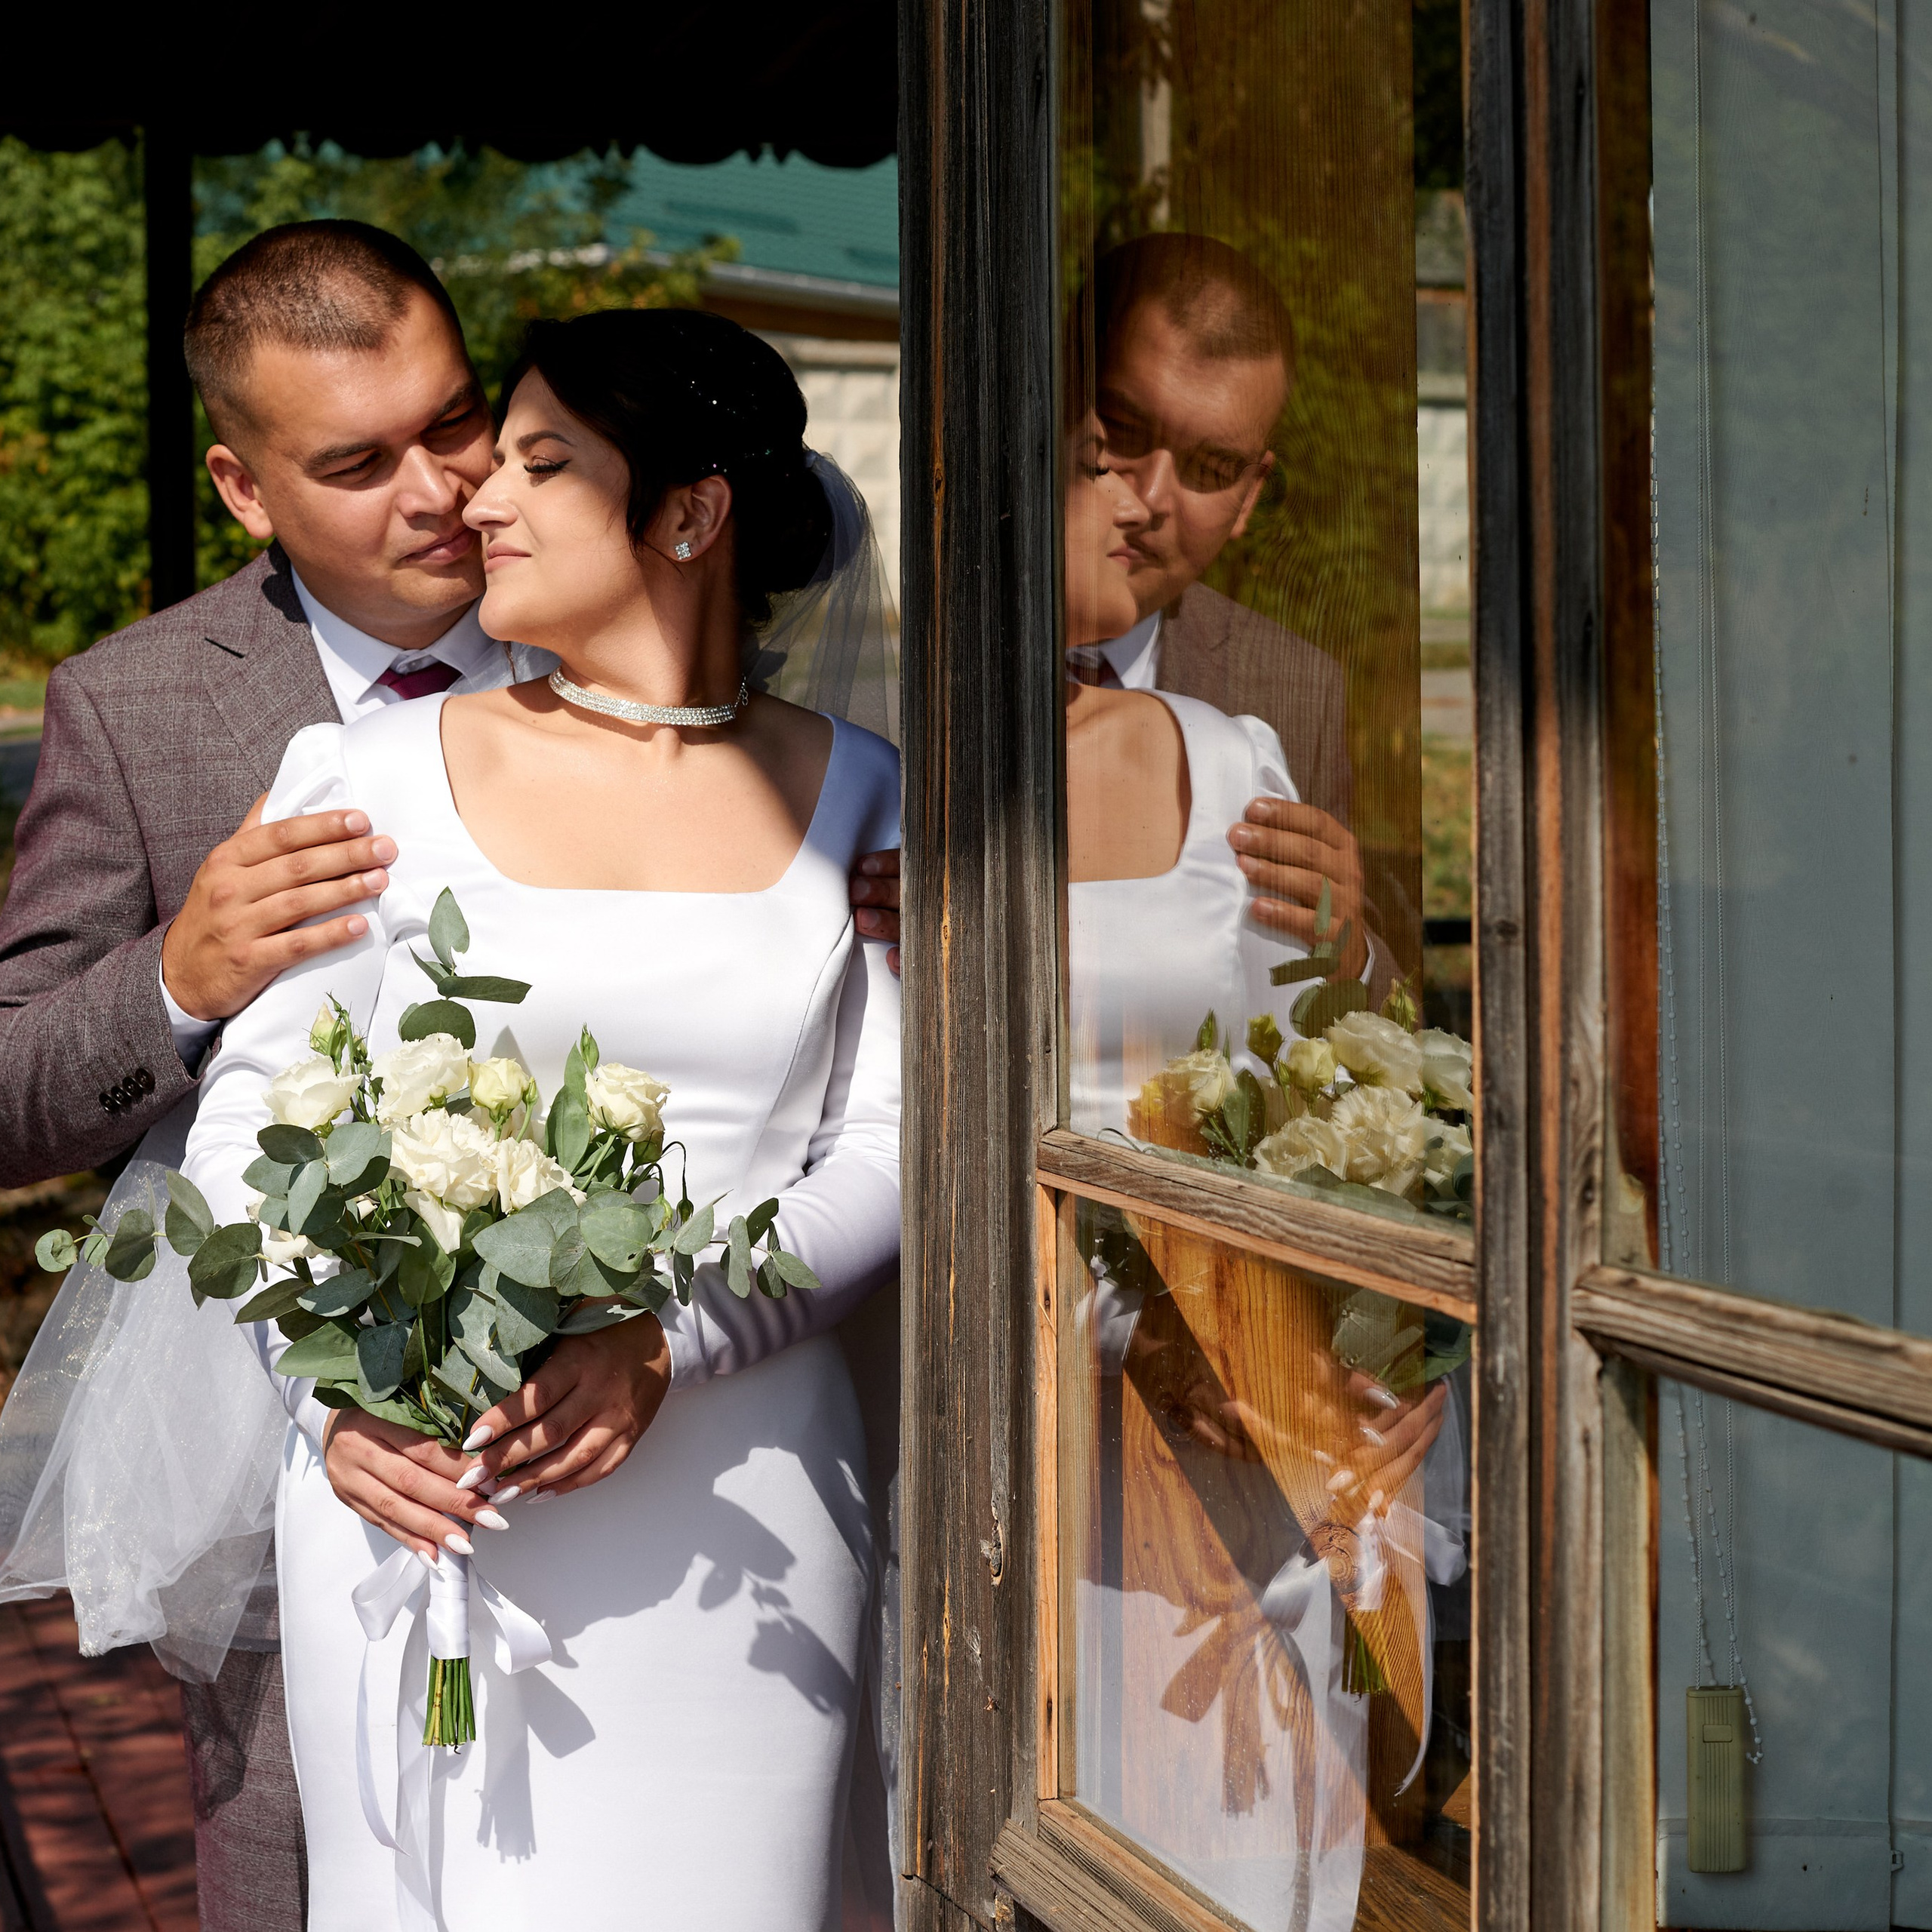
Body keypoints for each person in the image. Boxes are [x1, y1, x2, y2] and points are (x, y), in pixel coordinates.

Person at [180, 307, 900, 1929]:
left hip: (749, 1517)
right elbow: (247, 1128)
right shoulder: (365, 770)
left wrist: (673, 1339)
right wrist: (337, 1396)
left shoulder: (867, 799)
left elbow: (891, 1144)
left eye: (537, 462)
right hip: (424, 1490)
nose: (473, 501)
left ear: (689, 514)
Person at [0, 220, 553, 1930]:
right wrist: (178, 976)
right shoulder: (139, 704)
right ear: (244, 489)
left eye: (455, 420)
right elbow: (11, 1088)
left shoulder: (612, 632)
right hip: (264, 1404)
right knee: (287, 1825)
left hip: (606, 1378)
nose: (441, 486)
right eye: (358, 460)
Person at [853, 232, 1400, 999]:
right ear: (1049, 405)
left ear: (1249, 496)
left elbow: (1365, 1018)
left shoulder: (1292, 688)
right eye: (1124, 435)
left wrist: (1351, 956)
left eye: (1211, 469)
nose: (1146, 502)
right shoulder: (874, 654)